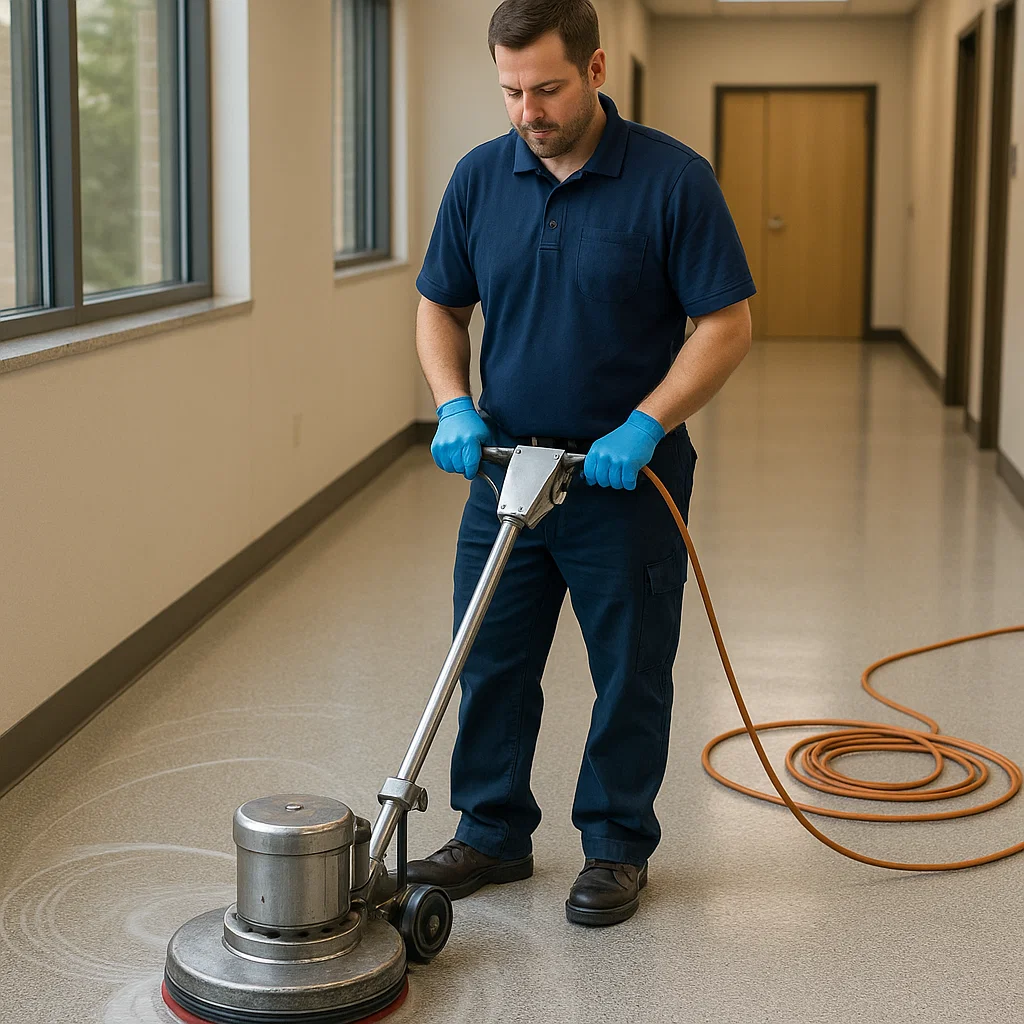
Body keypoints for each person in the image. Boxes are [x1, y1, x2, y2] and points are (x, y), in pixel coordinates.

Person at [410, 0, 754, 927]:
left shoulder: (674, 180)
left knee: (631, 668)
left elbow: (727, 323)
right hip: (507, 476)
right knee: (488, 660)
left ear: (596, 69)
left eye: (548, 87)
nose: (529, 110)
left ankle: (614, 846)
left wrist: (646, 423)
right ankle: (490, 831)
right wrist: (452, 401)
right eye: (512, 90)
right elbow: (440, 305)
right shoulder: (480, 179)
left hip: (623, 482)